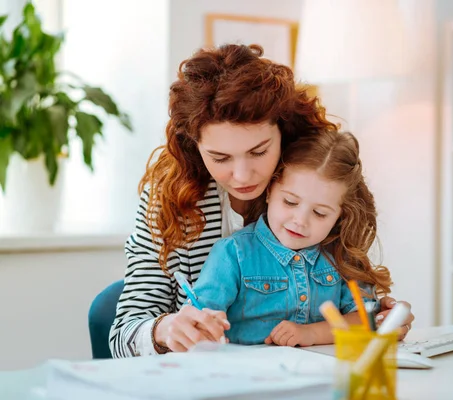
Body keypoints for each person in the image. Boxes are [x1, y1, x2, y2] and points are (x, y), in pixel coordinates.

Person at [109, 43, 414, 358]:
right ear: (194, 146)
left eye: (258, 152)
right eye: (220, 157)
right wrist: (165, 329)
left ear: (283, 132)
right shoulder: (169, 200)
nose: (242, 176)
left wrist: (382, 319)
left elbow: (353, 305)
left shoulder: (311, 183)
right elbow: (123, 334)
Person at [190, 130, 392, 346]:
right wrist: (205, 324)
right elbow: (198, 320)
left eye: (320, 213)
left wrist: (312, 334)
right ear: (269, 191)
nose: (300, 221)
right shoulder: (233, 253)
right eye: (290, 202)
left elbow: (366, 320)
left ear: (340, 216)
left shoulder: (342, 256)